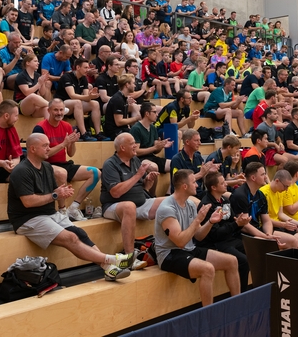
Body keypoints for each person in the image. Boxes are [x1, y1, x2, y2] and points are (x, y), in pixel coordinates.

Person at [8, 133, 133, 281]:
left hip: (48, 213)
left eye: (48, 145)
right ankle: (112, 259)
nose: (49, 148)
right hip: (27, 219)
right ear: (33, 149)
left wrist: (60, 193)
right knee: (71, 238)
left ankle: (108, 268)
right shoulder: (21, 171)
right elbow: (28, 202)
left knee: (80, 233)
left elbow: (53, 192)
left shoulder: (47, 167)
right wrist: (55, 195)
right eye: (45, 146)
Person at [155, 169, 241, 306]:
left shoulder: (190, 204)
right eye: (194, 182)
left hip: (189, 249)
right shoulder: (167, 208)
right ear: (185, 186)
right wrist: (198, 220)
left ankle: (238, 306)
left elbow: (199, 236)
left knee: (232, 261)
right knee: (208, 269)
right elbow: (180, 242)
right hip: (169, 254)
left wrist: (210, 222)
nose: (197, 185)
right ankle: (208, 313)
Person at [100, 133, 165, 268]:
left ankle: (170, 248)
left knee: (171, 201)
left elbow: (141, 186)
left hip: (140, 203)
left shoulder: (135, 160)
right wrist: (138, 174)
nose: (136, 146)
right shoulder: (110, 164)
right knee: (129, 206)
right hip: (113, 206)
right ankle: (129, 258)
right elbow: (116, 192)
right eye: (132, 143)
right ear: (122, 148)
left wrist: (148, 180)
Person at [33, 98, 103, 221]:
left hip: (63, 163)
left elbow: (71, 153)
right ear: (49, 110)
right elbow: (42, 155)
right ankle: (62, 210)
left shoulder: (67, 126)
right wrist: (64, 144)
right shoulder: (40, 128)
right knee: (62, 173)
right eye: (55, 110)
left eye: (61, 110)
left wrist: (73, 142)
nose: (59, 113)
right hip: (44, 165)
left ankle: (73, 208)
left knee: (96, 172)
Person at [57, 58, 109, 141]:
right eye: (85, 67)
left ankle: (98, 133)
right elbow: (72, 95)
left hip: (75, 104)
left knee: (95, 104)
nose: (87, 70)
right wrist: (88, 97)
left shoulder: (84, 78)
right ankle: (84, 133)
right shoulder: (67, 77)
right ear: (78, 67)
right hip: (61, 103)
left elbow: (86, 98)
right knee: (77, 102)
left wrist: (91, 95)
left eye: (88, 67)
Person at [170, 129, 220, 198]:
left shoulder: (198, 156)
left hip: (199, 192)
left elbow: (204, 177)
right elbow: (179, 182)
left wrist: (208, 171)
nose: (200, 143)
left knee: (222, 195)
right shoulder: (177, 159)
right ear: (187, 142)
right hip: (185, 196)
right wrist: (200, 174)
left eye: (199, 140)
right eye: (196, 140)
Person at [130, 102, 174, 176]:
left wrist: (161, 145)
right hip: (139, 159)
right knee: (153, 167)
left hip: (151, 157)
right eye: (154, 112)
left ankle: (172, 184)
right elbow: (136, 152)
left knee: (175, 164)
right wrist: (154, 148)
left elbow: (155, 151)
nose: (157, 115)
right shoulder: (136, 128)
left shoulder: (153, 128)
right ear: (147, 113)